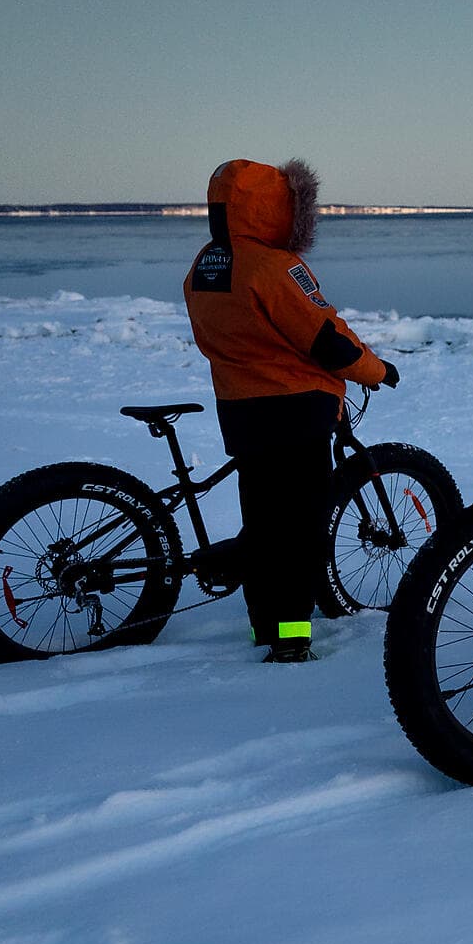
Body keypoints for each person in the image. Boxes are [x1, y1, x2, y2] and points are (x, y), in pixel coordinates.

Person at [182, 158, 396, 662]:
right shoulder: (276, 268)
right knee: (300, 531)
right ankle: (293, 638)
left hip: (241, 410)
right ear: (274, 208)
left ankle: (263, 626)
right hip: (295, 413)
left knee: (262, 522)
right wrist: (377, 371)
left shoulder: (207, 265)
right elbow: (325, 338)